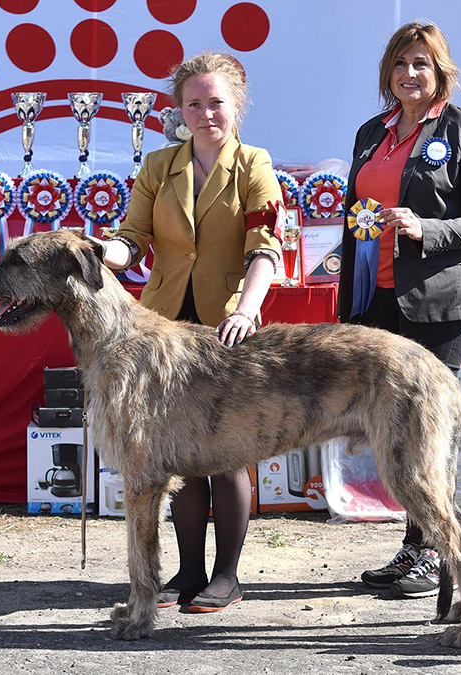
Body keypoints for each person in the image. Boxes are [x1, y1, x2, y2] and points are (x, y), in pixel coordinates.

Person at [99, 50, 283, 612]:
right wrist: (102, 251)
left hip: (227, 332)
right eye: (194, 103)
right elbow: (132, 238)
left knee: (227, 454)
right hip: (160, 333)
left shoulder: (254, 164)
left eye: (217, 103)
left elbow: (267, 249)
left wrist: (246, 310)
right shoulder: (159, 165)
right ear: (179, 109)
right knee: (172, 456)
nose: (206, 114)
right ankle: (189, 571)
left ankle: (227, 575)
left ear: (237, 107)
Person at [338, 21, 461, 599]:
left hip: (437, 306)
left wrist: (425, 227)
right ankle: (419, 548)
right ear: (388, 71)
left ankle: (430, 552)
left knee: (421, 433)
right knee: (392, 435)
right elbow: (357, 210)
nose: (411, 73)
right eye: (402, 62)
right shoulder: (369, 132)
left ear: (441, 73)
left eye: (423, 64)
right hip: (375, 301)